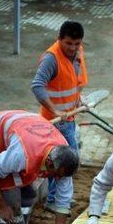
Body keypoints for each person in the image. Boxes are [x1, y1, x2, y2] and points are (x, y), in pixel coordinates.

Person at [0, 110, 79, 224]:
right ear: (49, 163)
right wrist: (1, 206)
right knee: (11, 199)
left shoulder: (64, 160)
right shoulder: (21, 154)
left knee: (28, 196)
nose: (58, 179)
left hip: (27, 127)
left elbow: (63, 203)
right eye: (57, 174)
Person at [31, 20, 88, 212]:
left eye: (76, 44)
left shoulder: (78, 53)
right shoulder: (51, 59)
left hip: (70, 118)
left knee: (65, 163)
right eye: (68, 44)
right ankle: (55, 200)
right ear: (59, 39)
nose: (72, 48)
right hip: (55, 123)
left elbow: (73, 80)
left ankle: (56, 199)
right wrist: (56, 111)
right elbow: (37, 86)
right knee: (65, 163)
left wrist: (79, 100)